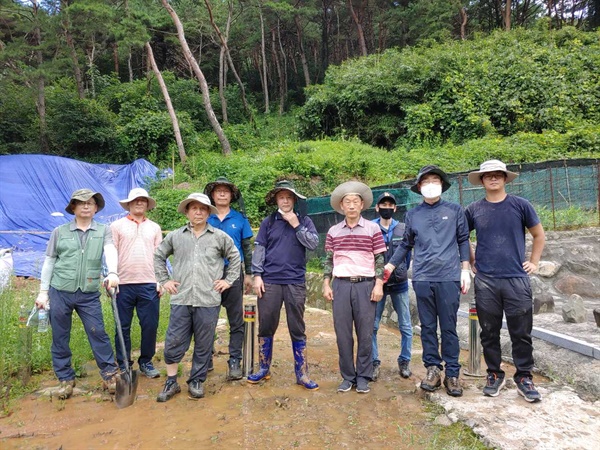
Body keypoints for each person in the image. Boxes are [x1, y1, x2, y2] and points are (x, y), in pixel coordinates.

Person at [385, 166, 471, 397]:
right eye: (426, 181)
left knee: (449, 327)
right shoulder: (413, 214)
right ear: (419, 187)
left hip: (449, 276)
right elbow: (405, 244)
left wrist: (465, 268)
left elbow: (463, 239)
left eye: (435, 180)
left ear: (442, 185)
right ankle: (433, 370)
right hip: (422, 277)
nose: (431, 184)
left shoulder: (454, 210)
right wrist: (391, 264)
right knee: (428, 327)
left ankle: (452, 374)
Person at [465, 160, 546, 403]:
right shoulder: (473, 209)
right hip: (486, 280)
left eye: (498, 175)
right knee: (489, 331)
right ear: (481, 180)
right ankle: (494, 374)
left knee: (521, 331)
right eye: (488, 175)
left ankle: (524, 376)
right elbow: (462, 236)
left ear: (505, 178)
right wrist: (471, 260)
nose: (493, 179)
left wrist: (534, 262)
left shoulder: (520, 205)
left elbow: (539, 234)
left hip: (516, 279)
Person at [154, 193, 240, 401]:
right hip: (181, 298)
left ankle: (197, 379)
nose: (199, 212)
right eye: (194, 208)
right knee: (173, 342)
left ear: (208, 212)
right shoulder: (176, 236)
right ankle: (171, 381)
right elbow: (158, 256)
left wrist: (228, 281)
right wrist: (164, 280)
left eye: (203, 209)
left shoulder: (219, 237)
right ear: (187, 211)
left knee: (203, 343)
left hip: (208, 299)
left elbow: (235, 257)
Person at [35, 189, 120, 399]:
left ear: (96, 208)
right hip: (60, 291)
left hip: (88, 292)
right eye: (81, 203)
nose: (86, 206)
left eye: (90, 203)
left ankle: (110, 375)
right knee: (60, 337)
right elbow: (50, 262)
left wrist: (113, 273)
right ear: (73, 207)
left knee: (98, 332)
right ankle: (65, 379)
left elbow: (110, 251)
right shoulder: (60, 231)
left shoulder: (103, 230)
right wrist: (43, 292)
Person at [248, 180, 319, 390]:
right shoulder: (268, 222)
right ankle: (263, 368)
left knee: (297, 326)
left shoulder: (305, 221)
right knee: (266, 324)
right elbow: (259, 249)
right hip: (270, 281)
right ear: (276, 200)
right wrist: (257, 275)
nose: (285, 200)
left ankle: (302, 373)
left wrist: (296, 224)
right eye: (281, 197)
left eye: (289, 197)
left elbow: (313, 244)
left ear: (294, 200)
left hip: (295, 281)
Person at [323, 181, 387, 394]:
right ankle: (347, 377)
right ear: (341, 206)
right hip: (340, 285)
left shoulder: (373, 228)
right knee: (342, 334)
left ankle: (363, 377)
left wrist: (379, 284)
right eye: (347, 202)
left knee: (365, 333)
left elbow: (380, 258)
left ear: (362, 205)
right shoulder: (333, 231)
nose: (351, 205)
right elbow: (328, 260)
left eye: (355, 202)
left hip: (365, 285)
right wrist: (326, 283)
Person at [204, 177, 253, 380]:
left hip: (234, 274)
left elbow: (248, 248)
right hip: (209, 274)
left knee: (236, 320)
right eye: (218, 191)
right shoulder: (205, 217)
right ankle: (204, 358)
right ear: (212, 196)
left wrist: (249, 274)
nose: (222, 194)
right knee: (206, 319)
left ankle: (235, 360)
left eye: (226, 191)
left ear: (232, 196)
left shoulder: (240, 220)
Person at [110, 188, 163, 379]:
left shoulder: (155, 228)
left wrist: (160, 281)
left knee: (150, 325)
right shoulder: (116, 226)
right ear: (129, 204)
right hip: (122, 283)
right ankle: (124, 363)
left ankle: (146, 361)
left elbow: (160, 256)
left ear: (147, 204)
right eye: (135, 200)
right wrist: (110, 276)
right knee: (122, 325)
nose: (139, 203)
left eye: (143, 200)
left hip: (149, 282)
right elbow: (110, 253)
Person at [371, 192, 413, 381]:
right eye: (383, 204)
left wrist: (401, 270)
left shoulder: (403, 229)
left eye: (390, 205)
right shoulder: (370, 227)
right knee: (372, 326)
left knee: (405, 325)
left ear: (395, 208)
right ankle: (374, 362)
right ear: (377, 208)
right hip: (376, 284)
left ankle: (404, 360)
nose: (387, 207)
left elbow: (407, 254)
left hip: (399, 284)